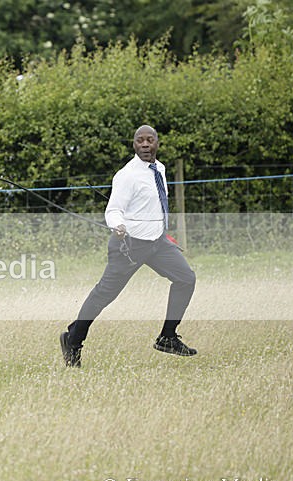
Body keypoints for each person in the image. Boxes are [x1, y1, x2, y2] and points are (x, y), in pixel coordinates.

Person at [60, 125, 197, 367]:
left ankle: (167, 337)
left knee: (186, 278)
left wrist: (162, 231)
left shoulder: (160, 169)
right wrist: (118, 225)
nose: (145, 145)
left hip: (158, 242)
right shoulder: (127, 175)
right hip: (129, 245)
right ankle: (73, 339)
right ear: (134, 145)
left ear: (157, 143)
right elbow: (113, 210)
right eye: (139, 141)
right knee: (104, 294)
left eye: (149, 140)